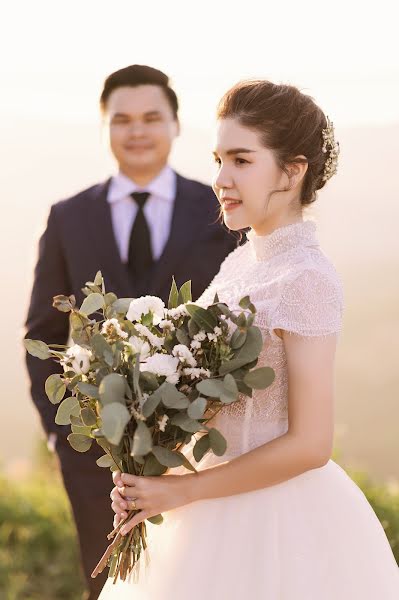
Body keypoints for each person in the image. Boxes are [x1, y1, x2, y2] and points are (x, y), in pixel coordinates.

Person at [100, 79, 399, 599]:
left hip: (277, 521)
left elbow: (311, 444)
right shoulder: (240, 262)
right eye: (218, 159)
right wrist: (146, 461)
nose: (220, 179)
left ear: (293, 169)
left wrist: (184, 490)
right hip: (196, 506)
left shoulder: (307, 277)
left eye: (241, 160)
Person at [24, 64, 236, 600]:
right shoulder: (68, 217)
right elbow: (43, 333)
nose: (136, 131)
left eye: (150, 118)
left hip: (201, 457)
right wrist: (64, 436)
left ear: (176, 124)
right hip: (99, 462)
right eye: (122, 119)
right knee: (112, 589)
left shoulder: (221, 213)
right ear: (105, 127)